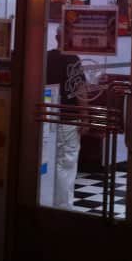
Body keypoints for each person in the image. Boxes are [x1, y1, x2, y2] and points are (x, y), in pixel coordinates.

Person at [46, 26, 87, 209]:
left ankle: (46, 202)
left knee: (50, 161)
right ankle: (63, 207)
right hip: (68, 119)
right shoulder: (72, 59)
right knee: (66, 163)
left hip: (47, 118)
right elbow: (80, 90)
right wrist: (85, 117)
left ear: (56, 37)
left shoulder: (46, 57)